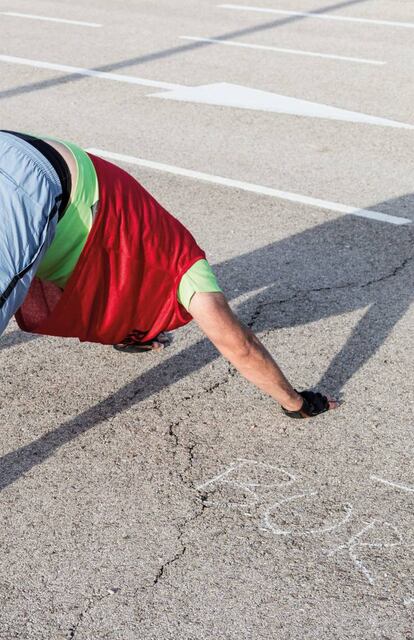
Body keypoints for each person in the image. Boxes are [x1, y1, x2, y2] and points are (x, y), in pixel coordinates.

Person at [0, 130, 337, 419]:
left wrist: (129, 334)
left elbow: (115, 284)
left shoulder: (145, 244)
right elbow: (238, 344)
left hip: (21, 149)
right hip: (31, 186)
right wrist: (296, 402)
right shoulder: (185, 264)